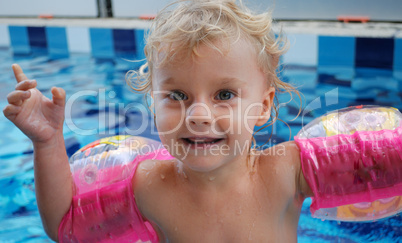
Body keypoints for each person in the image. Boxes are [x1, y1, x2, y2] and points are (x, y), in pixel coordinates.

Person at [3, 0, 401, 242]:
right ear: (151, 104)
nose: (198, 115)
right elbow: (67, 228)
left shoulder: (285, 172)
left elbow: (386, 161)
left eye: (224, 95)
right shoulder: (148, 186)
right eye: (176, 96)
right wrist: (47, 143)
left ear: (263, 107)